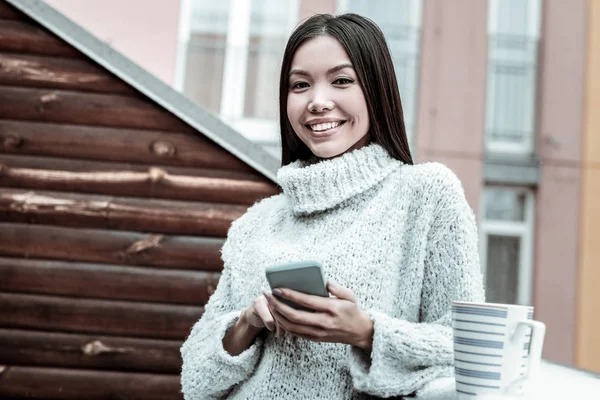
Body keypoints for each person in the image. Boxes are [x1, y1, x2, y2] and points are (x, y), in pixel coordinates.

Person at [181, 13, 484, 400]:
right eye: (300, 85)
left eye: (341, 81)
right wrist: (248, 322)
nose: (317, 102)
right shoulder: (257, 221)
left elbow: (471, 348)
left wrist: (365, 330)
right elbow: (195, 380)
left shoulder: (425, 193)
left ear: (375, 90)